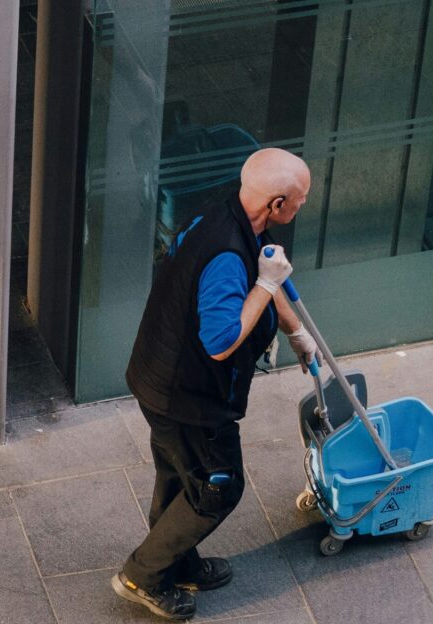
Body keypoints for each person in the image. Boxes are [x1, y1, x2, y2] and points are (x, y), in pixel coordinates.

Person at [113, 148, 320, 620]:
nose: (302, 206)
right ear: (276, 203)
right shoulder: (227, 254)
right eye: (300, 199)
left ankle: (176, 562)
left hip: (158, 376)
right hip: (190, 398)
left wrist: (296, 332)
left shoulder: (223, 213)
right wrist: (266, 288)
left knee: (179, 473)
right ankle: (142, 575)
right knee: (215, 488)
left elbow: (268, 270)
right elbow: (221, 343)